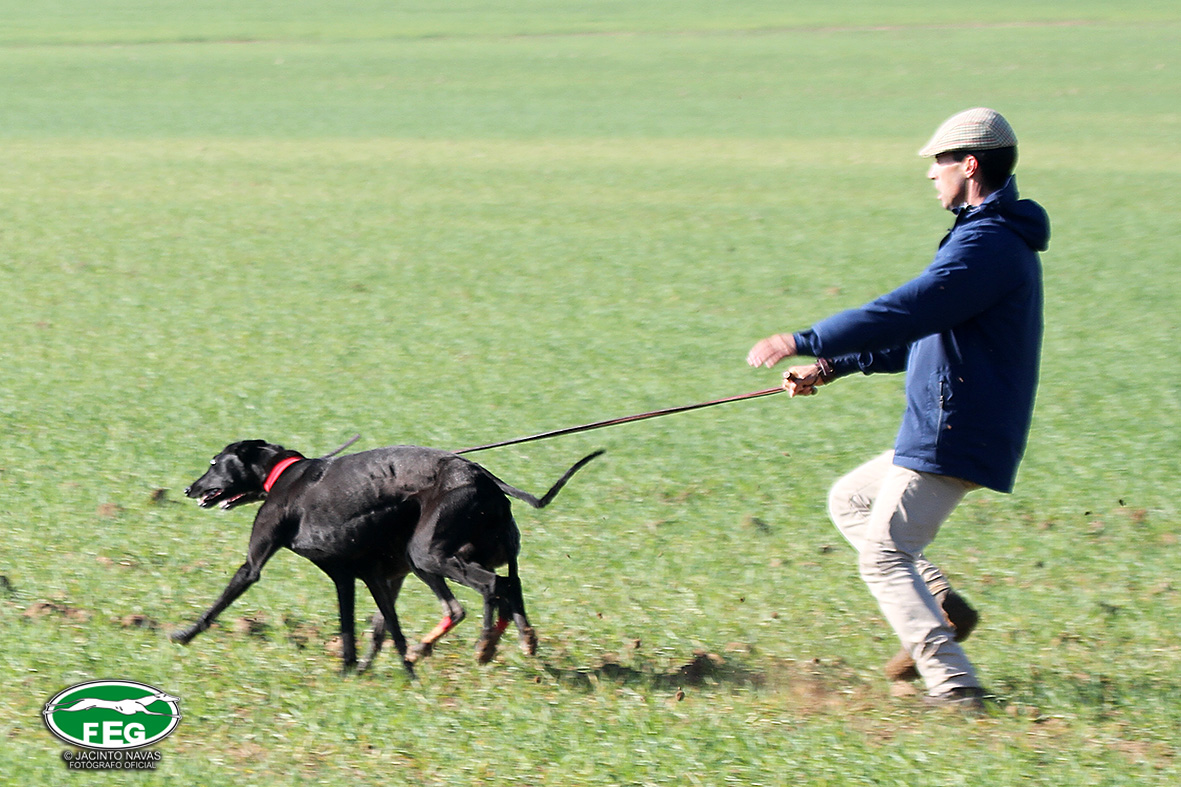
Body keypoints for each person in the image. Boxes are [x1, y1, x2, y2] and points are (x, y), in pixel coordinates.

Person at [746, 108, 1050, 710]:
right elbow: (923, 334)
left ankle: (954, 685)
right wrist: (831, 366)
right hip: (952, 422)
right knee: (851, 499)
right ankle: (940, 602)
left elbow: (907, 310)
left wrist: (806, 338)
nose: (931, 173)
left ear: (969, 165)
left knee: (885, 556)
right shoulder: (987, 237)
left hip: (955, 427)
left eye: (940, 161)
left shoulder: (988, 244)